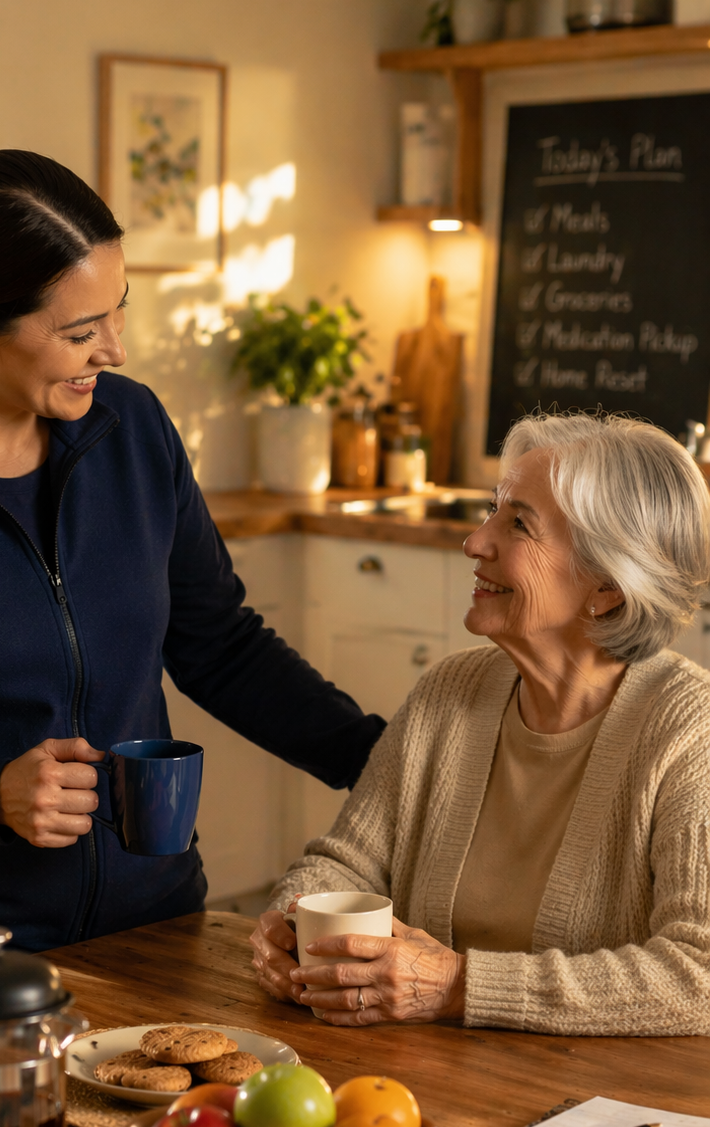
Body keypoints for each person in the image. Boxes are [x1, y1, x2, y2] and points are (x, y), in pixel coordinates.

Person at [0, 150, 384, 950]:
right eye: (80, 331)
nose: (115, 350)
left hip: (155, 924)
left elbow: (219, 644)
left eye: (117, 312)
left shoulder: (131, 431)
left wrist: (384, 766)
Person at [251, 410, 710, 1035]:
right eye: (492, 510)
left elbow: (698, 971)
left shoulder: (690, 730)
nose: (475, 541)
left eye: (517, 523)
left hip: (601, 1105)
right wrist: (288, 924)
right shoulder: (451, 690)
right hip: (421, 1081)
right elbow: (345, 864)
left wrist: (458, 987)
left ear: (607, 586)